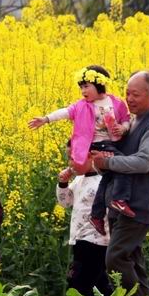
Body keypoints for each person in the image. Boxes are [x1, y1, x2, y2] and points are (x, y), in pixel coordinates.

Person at [92, 71, 149, 296]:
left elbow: (144, 162)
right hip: (118, 203)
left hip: (138, 205)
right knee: (133, 260)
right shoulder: (132, 122)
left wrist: (109, 163)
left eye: (135, 94)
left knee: (115, 257)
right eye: (127, 93)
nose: (129, 99)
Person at [29, 65, 135, 219]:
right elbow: (65, 112)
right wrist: (46, 119)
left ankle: (97, 216)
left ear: (99, 83)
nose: (83, 91)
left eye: (86, 86)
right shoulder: (82, 105)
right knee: (124, 165)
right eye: (81, 88)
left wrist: (123, 129)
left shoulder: (116, 102)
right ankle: (119, 199)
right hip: (98, 145)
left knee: (107, 178)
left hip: (115, 144)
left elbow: (126, 119)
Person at [56, 141, 111, 296]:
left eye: (73, 158)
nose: (70, 163)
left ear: (90, 157)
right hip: (80, 239)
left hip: (97, 242)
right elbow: (65, 202)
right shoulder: (79, 180)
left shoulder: (103, 181)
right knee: (97, 284)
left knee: (80, 283)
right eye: (69, 158)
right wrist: (63, 184)